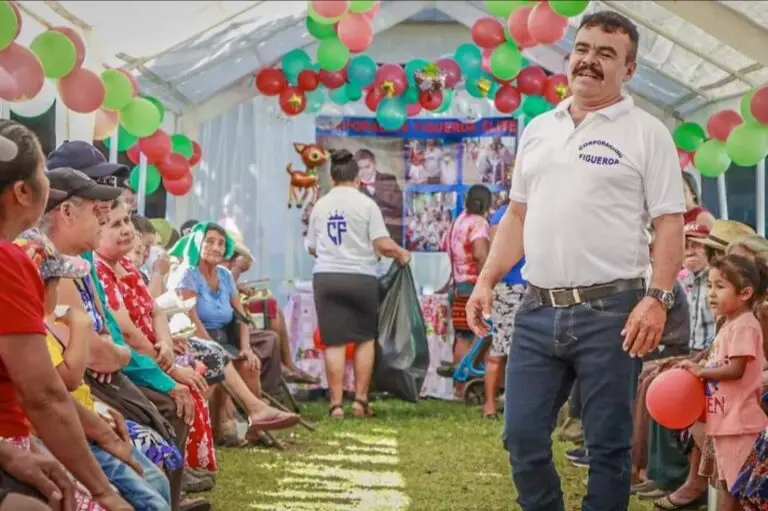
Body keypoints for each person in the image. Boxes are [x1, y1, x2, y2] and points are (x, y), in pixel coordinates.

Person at [465, 12, 686, 510]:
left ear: (628, 70)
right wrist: (487, 279)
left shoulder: (647, 134)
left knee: (607, 446)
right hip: (536, 308)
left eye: (606, 53)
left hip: (614, 310)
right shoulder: (540, 130)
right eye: (583, 48)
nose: (589, 60)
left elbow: (671, 223)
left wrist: (657, 299)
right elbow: (517, 216)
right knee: (520, 435)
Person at [45, 150, 205, 510]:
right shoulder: (51, 265)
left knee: (164, 421)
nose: (107, 211)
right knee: (156, 431)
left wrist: (126, 349)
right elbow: (79, 366)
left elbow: (114, 337)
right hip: (81, 398)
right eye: (99, 203)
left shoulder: (79, 261)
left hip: (98, 387)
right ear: (66, 210)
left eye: (121, 217)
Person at [0, 120, 131, 511]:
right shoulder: (13, 261)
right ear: (24, 192)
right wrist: (104, 492)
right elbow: (43, 394)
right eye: (43, 174)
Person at [16, 228, 172, 510]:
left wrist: (98, 411)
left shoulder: (41, 326)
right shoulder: (31, 333)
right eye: (57, 281)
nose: (63, 287)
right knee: (150, 496)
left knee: (156, 479)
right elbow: (63, 385)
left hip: (81, 422)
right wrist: (80, 325)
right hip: (61, 434)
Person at [166, 222, 300, 434]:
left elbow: (240, 316)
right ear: (197, 243)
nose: (216, 247)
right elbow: (192, 321)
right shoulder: (187, 275)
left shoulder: (225, 275)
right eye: (209, 241)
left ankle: (256, 430)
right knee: (220, 359)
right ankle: (255, 411)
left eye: (221, 243)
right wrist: (215, 347)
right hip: (195, 340)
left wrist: (245, 347)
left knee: (250, 364)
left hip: (225, 339)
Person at [306, 149, 410, 419]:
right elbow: (380, 243)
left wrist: (334, 255)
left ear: (331, 177)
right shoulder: (366, 205)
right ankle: (360, 402)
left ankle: (336, 404)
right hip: (361, 277)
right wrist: (400, 252)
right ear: (358, 179)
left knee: (334, 342)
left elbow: (312, 248)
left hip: (326, 278)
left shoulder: (320, 205)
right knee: (364, 339)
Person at [679, 254, 768, 509]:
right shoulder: (729, 324)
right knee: (727, 484)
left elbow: (736, 369)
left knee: (736, 488)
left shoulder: (745, 326)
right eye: (709, 285)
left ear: (745, 293)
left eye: (720, 287)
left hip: (740, 424)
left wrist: (702, 371)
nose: (711, 293)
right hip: (725, 421)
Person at [440, 185, 492, 399]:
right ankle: (480, 384)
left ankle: (458, 389)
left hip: (457, 285)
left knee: (462, 336)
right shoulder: (478, 224)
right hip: (472, 286)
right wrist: (487, 283)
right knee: (482, 334)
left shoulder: (457, 222)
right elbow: (480, 254)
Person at [483, 199, 526, 418]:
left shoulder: (502, 214)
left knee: (511, 350)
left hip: (523, 286)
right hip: (510, 286)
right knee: (501, 350)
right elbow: (497, 254)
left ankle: (504, 404)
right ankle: (491, 405)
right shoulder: (505, 216)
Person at [354, 148, 404, 246]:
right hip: (365, 239)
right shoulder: (353, 185)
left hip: (391, 235)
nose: (364, 172)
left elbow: (399, 209)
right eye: (360, 168)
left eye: (367, 167)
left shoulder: (388, 180)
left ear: (375, 164)